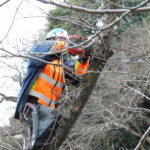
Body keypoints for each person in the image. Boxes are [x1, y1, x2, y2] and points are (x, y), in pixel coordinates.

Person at [14, 28, 92, 150]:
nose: (65, 44)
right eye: (61, 40)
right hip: (31, 105)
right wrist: (67, 44)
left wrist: (84, 58)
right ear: (52, 40)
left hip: (46, 111)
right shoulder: (39, 50)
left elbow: (78, 78)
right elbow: (48, 49)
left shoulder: (62, 64)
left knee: (52, 135)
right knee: (54, 117)